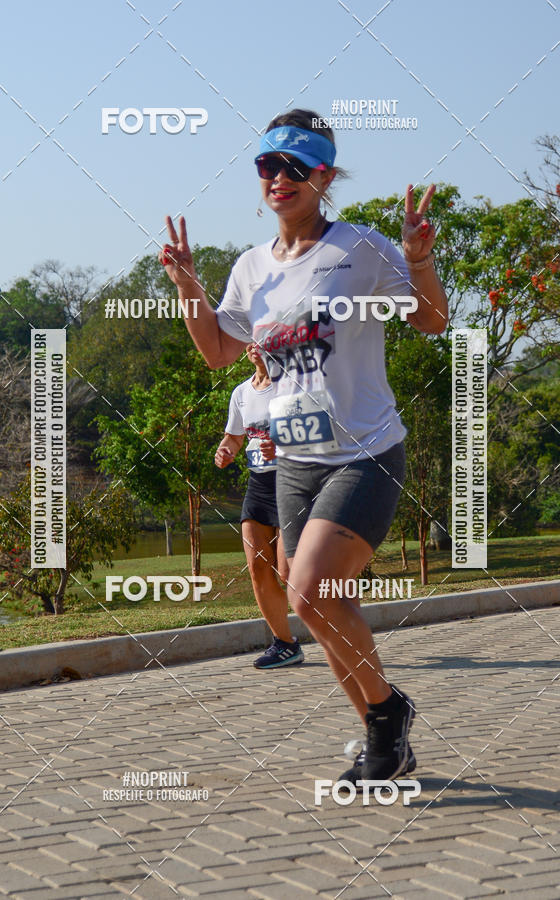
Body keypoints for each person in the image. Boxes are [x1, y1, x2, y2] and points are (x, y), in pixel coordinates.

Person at [160, 108, 448, 785]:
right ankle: (386, 729)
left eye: (296, 167)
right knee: (309, 599)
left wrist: (419, 260)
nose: (279, 178)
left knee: (313, 590)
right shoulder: (251, 266)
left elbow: (432, 322)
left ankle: (386, 721)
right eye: (268, 165)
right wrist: (188, 291)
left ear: (324, 176)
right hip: (294, 457)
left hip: (366, 451)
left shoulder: (361, 248)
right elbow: (217, 353)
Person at [215, 342, 303, 669]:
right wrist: (226, 451)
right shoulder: (240, 392)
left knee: (288, 571)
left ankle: (338, 620)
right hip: (258, 485)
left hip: (292, 481)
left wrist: (281, 445)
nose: (253, 346)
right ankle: (285, 643)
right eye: (249, 340)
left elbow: (315, 431)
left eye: (262, 339)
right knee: (257, 568)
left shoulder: (293, 385)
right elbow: (235, 437)